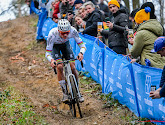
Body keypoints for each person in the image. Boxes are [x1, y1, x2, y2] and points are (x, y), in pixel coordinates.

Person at [45, 19, 86, 102]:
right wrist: (52, 60)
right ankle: (65, 93)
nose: (65, 35)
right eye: (63, 33)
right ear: (58, 31)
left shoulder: (73, 31)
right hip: (55, 47)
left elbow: (82, 45)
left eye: (67, 32)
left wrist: (81, 53)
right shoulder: (52, 34)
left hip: (66, 45)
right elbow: (47, 53)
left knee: (73, 67)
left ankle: (77, 92)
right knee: (59, 66)